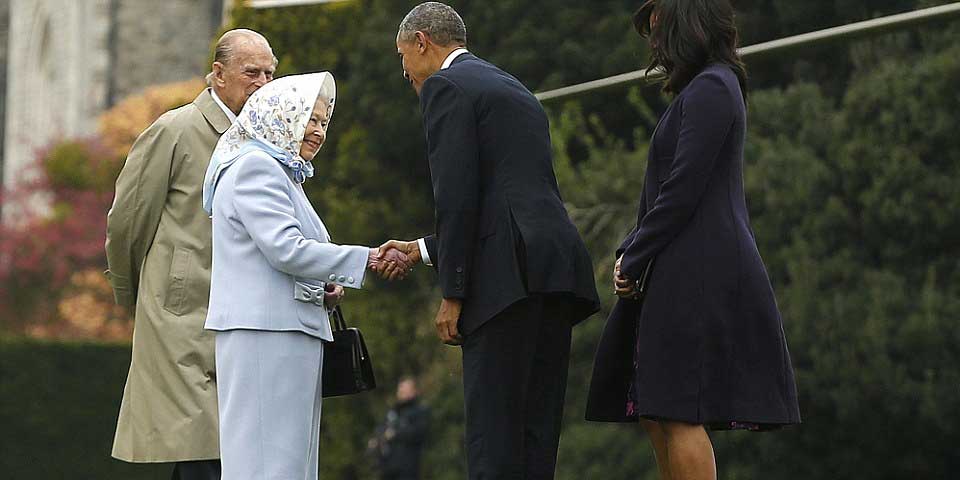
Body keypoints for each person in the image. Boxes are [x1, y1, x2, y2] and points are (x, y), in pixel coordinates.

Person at [379, 3, 601, 478]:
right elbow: (505, 200)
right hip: (554, 272)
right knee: (536, 435)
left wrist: (453, 294)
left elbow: (458, 199)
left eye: (404, 62)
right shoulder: (513, 88)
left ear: (422, 42)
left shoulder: (445, 86)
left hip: (504, 284)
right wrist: (421, 249)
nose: (408, 76)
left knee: (494, 437)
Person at [585, 1, 802, 479]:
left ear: (687, 26)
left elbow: (682, 188)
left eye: (659, 29)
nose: (654, 43)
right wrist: (636, 253)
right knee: (658, 409)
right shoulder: (702, 91)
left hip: (699, 269)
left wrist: (633, 254)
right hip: (677, 266)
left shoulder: (713, 88)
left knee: (679, 409)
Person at [201, 71, 411, 480]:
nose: (318, 131)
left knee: (289, 461)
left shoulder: (280, 171)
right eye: (309, 119)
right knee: (267, 462)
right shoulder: (255, 168)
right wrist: (366, 259)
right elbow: (285, 248)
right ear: (282, 114)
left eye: (323, 123)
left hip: (282, 332)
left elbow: (273, 256)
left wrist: (322, 287)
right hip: (265, 335)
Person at [105, 29, 276, 480]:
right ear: (218, 75)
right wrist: (134, 296)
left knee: (227, 448)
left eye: (269, 73)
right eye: (250, 72)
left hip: (242, 310)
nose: (262, 82)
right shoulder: (175, 130)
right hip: (181, 314)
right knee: (202, 444)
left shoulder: (268, 141)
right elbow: (127, 222)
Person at [368, 377, 431, 480]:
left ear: (414, 391)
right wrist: (376, 439)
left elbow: (418, 432)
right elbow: (381, 428)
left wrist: (395, 433)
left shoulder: (419, 411)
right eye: (400, 390)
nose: (402, 393)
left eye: (405, 390)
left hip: (407, 468)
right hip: (388, 468)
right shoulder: (393, 412)